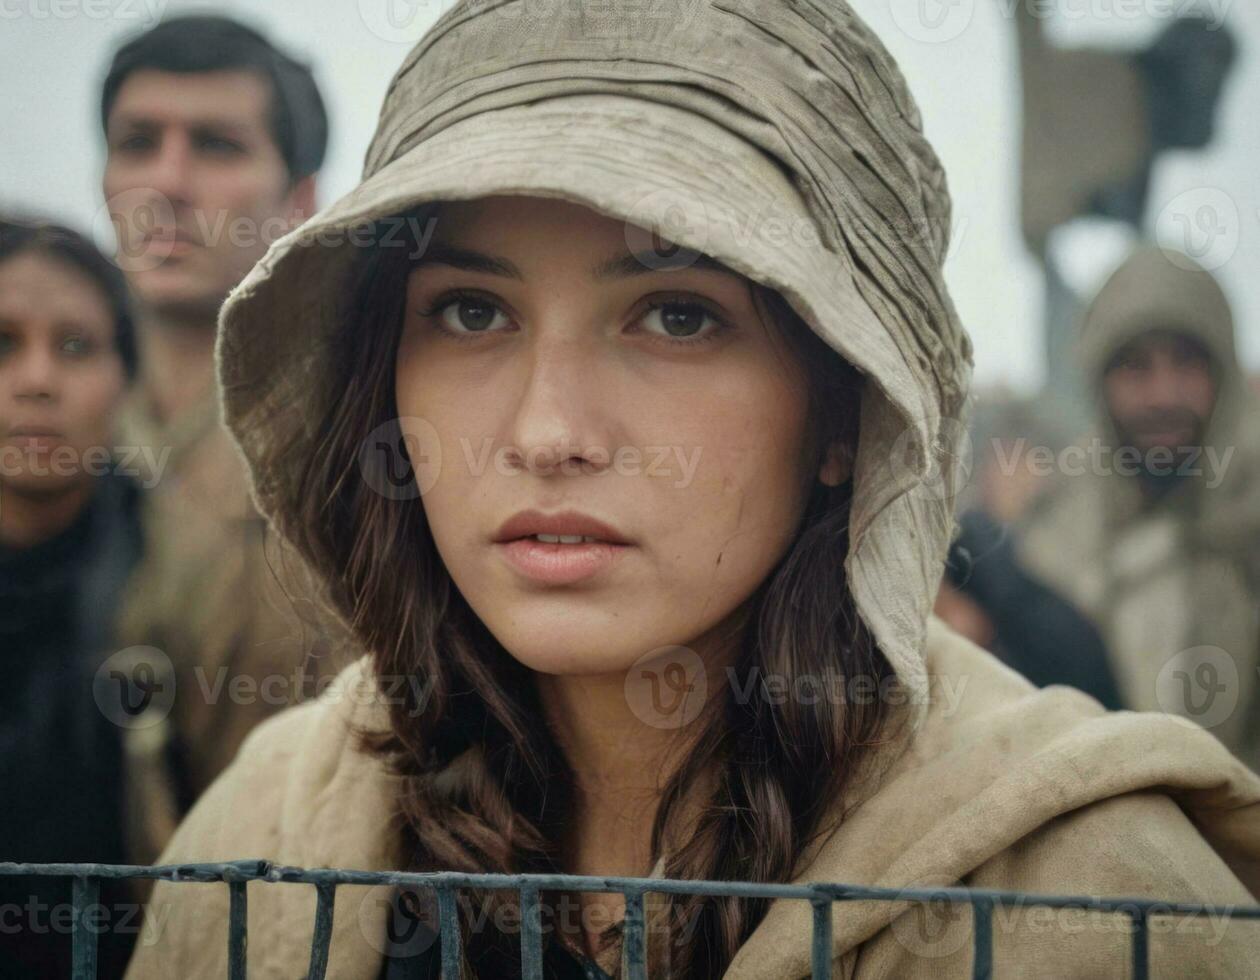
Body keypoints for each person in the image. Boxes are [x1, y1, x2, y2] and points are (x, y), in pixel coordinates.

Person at [124, 4, 1260, 978]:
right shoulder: (265, 840)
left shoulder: (1092, 895)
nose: (547, 432)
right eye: (472, 312)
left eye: (677, 314)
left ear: (840, 409)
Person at [97, 14, 348, 861]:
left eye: (216, 146)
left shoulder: (351, 443)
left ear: (300, 201)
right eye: (137, 143)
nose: (166, 181)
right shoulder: (36, 419)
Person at [1017, 245, 1260, 770]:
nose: (1162, 394)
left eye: (1187, 362)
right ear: (1100, 384)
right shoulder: (1055, 528)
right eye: (1135, 366)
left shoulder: (1248, 520)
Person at [0, 218, 142, 978]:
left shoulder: (183, 573)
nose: (37, 379)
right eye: (3, 344)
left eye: (77, 346)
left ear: (127, 374)